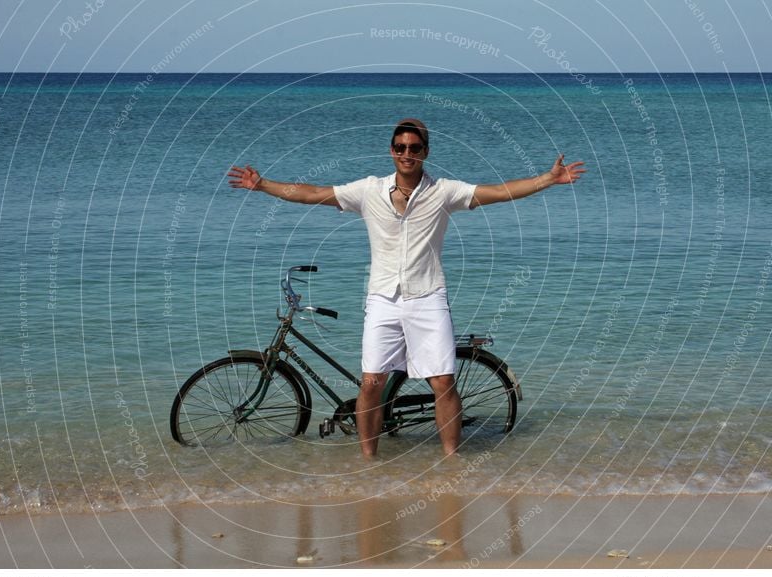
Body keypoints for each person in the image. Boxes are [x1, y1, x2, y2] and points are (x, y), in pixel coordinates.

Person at [228, 118, 585, 457]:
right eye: (400, 147)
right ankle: (369, 461)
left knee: (443, 381)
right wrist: (263, 185)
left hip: (429, 297)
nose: (407, 153)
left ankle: (451, 462)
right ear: (391, 150)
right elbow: (313, 193)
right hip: (383, 299)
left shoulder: (443, 192)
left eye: (414, 147)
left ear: (425, 152)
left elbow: (498, 192)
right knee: (371, 383)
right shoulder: (368, 190)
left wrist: (547, 180)